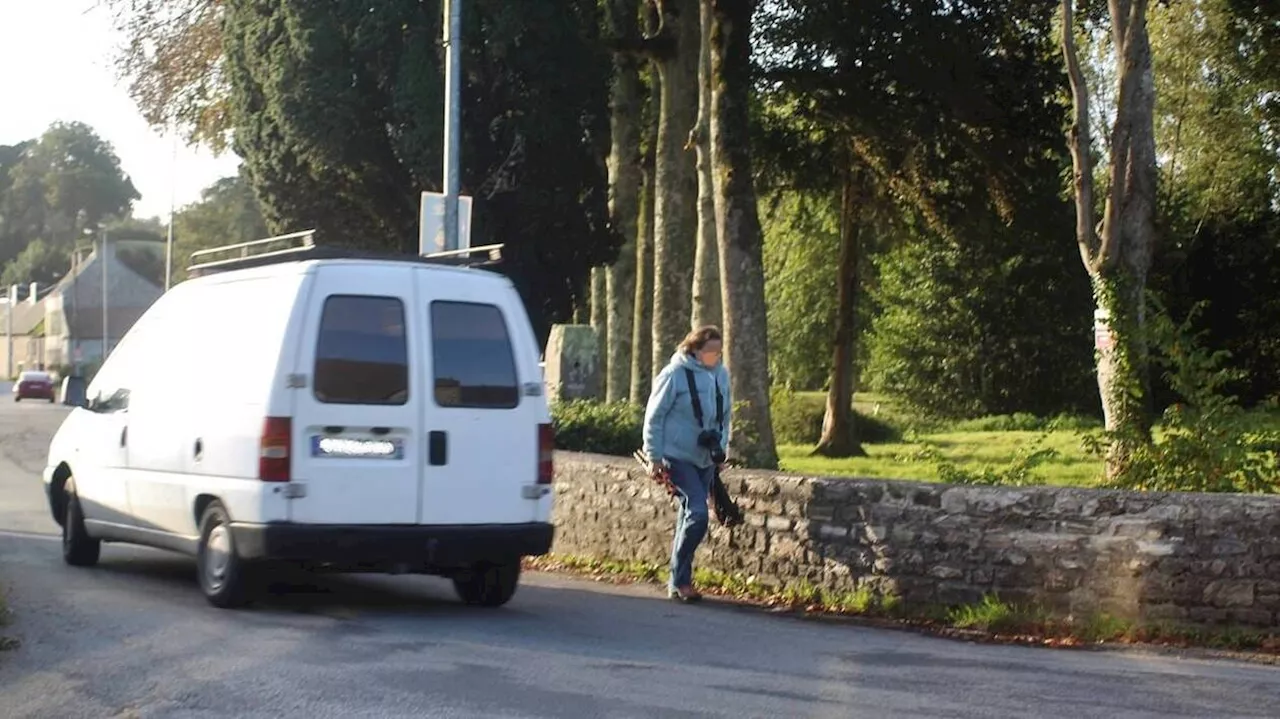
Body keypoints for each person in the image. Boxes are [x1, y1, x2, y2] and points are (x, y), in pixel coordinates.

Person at [643, 325, 732, 603]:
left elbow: (725, 416)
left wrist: (721, 449)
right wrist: (654, 456)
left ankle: (677, 581)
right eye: (709, 351)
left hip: (706, 458)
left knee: (687, 515)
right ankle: (681, 581)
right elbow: (654, 417)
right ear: (694, 350)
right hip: (676, 456)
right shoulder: (674, 375)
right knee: (698, 512)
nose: (715, 356)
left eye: (718, 352)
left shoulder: (721, 376)